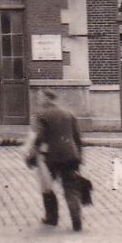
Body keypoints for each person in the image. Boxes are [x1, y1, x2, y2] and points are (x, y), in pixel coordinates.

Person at [24, 88, 86, 231]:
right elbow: (77, 138)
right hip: (71, 157)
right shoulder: (68, 113)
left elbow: (38, 137)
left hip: (51, 157)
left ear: (46, 99)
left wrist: (31, 155)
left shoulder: (41, 115)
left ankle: (52, 218)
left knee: (47, 187)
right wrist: (79, 157)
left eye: (40, 98)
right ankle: (77, 221)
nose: (38, 100)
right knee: (71, 189)